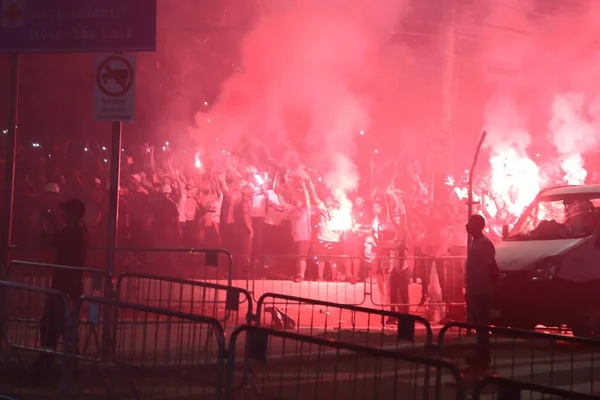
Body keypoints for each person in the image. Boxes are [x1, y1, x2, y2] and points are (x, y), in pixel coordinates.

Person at [34, 198, 89, 379]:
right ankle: (67, 365)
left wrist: (42, 222)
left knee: (52, 325)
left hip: (63, 287)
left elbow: (47, 241)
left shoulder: (72, 233)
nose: (63, 213)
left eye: (66, 211)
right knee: (65, 327)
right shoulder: (81, 232)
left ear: (74, 214)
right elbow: (61, 239)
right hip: (71, 287)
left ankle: (48, 365)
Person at [465, 214, 498, 368]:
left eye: (471, 223)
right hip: (475, 289)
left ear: (478, 226)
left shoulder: (484, 244)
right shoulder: (475, 242)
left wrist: (493, 287)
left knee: (482, 325)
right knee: (479, 325)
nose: (467, 226)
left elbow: (492, 267)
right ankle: (481, 354)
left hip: (482, 291)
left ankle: (483, 356)